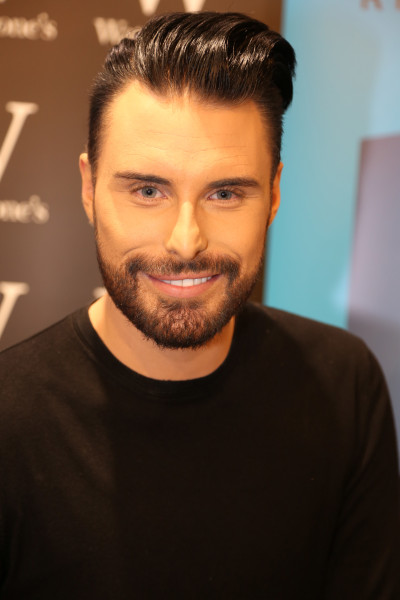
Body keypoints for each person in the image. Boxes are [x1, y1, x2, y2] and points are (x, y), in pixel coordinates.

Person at [0, 11, 399, 599]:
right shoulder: (11, 421)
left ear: (275, 193)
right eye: (148, 190)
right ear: (88, 188)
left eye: (225, 193)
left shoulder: (345, 386)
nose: (186, 241)